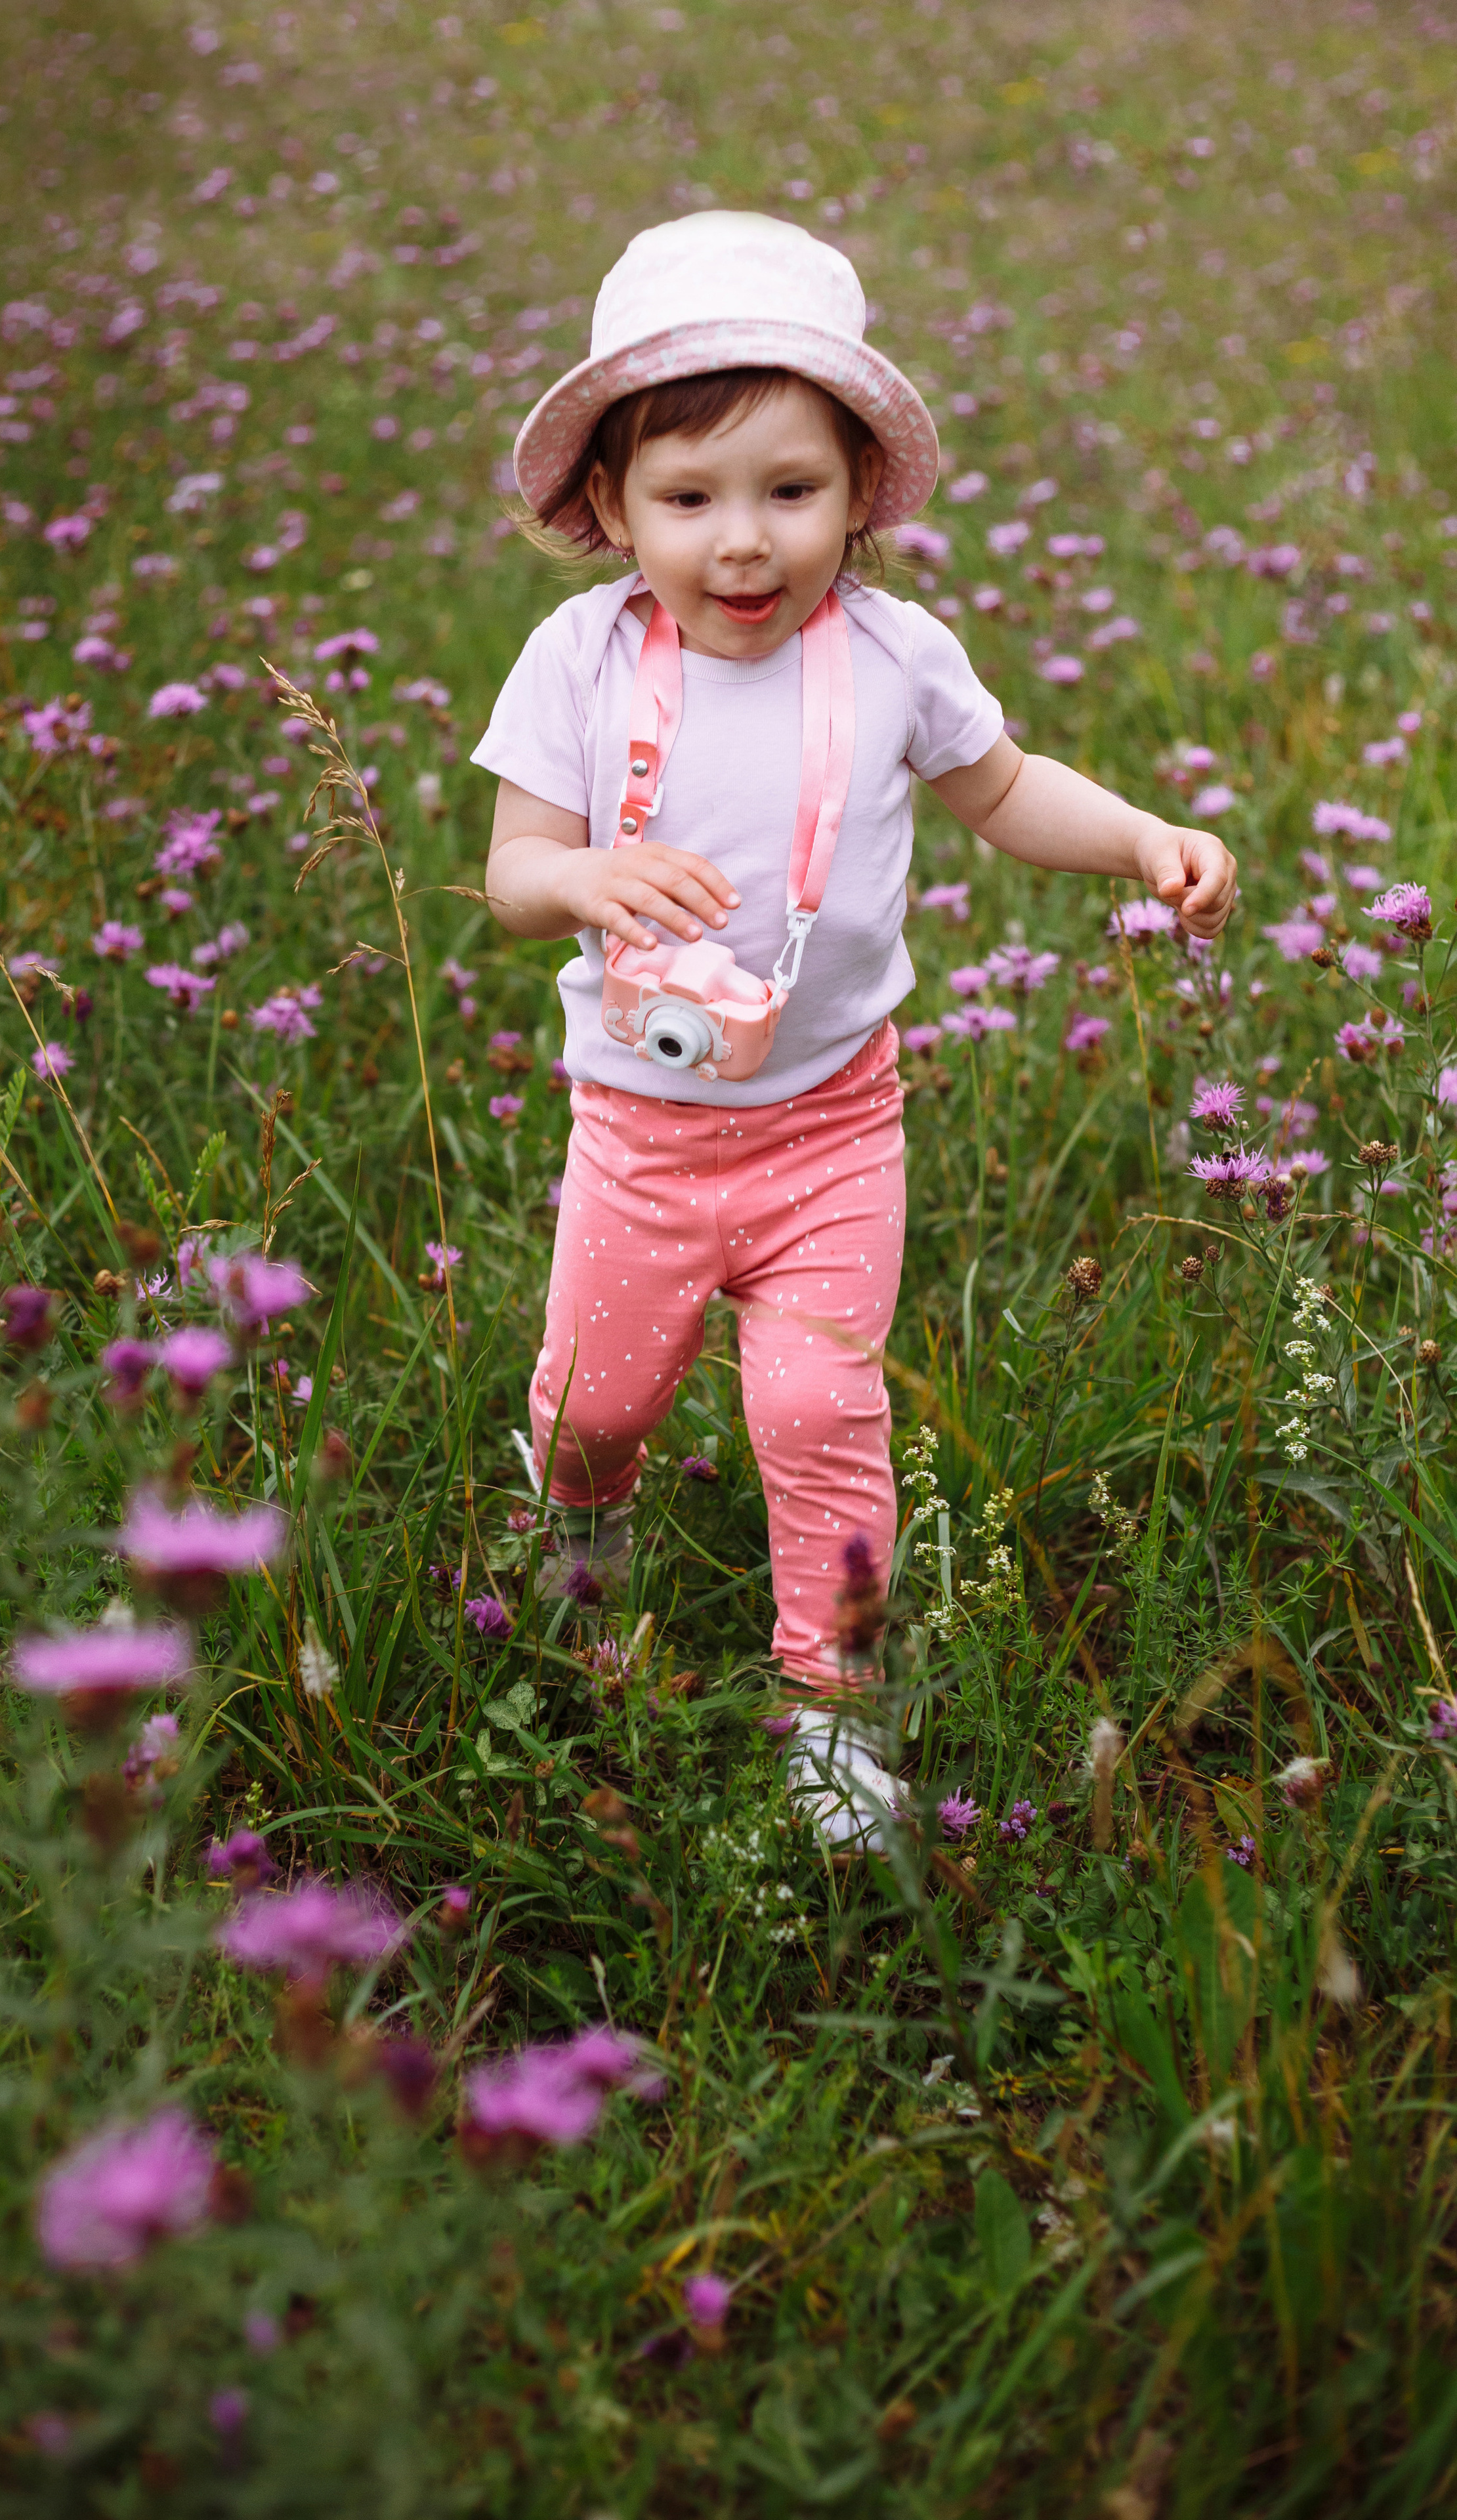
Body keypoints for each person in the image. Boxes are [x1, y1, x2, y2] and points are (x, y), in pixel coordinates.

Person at [472, 212, 1236, 1843]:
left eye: (790, 491)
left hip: (830, 1125)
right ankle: (579, 1528)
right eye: (688, 499)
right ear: (609, 502)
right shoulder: (577, 658)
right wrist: (584, 876)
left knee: (818, 1417)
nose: (743, 544)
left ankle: (835, 1709)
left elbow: (1005, 792)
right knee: (596, 1407)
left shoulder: (891, 655)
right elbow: (513, 876)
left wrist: (1139, 840)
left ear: (858, 491)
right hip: (640, 1132)